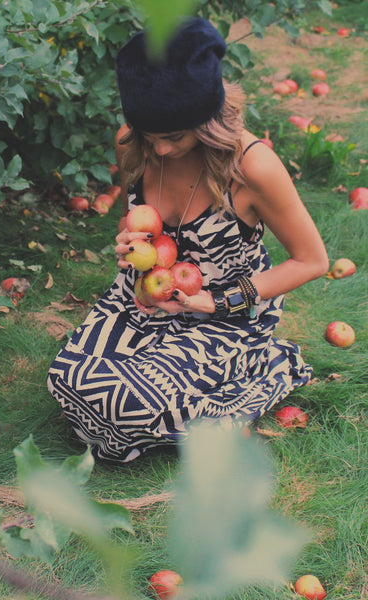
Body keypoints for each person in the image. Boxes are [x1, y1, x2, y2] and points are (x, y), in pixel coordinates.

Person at [47, 17, 329, 462]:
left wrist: (214, 303)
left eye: (174, 137)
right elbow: (135, 223)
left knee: (128, 404)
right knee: (65, 379)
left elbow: (313, 261)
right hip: (149, 294)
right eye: (150, 136)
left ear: (208, 120)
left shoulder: (252, 167)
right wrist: (128, 244)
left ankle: (266, 367)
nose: (159, 150)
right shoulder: (132, 144)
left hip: (228, 312)